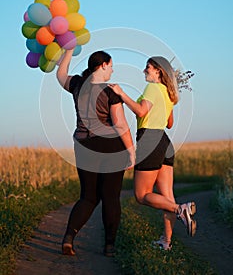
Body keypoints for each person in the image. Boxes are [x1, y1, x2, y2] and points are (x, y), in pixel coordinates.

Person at [109, 56, 197, 251]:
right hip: (164, 142)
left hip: (149, 139)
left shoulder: (153, 88)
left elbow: (141, 111)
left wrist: (121, 94)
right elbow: (170, 123)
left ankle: (180, 210)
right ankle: (166, 242)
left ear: (158, 71)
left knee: (141, 195)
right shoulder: (169, 92)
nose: (144, 71)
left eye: (148, 67)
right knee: (167, 195)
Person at [56, 49, 135, 257]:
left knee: (88, 196)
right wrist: (132, 151)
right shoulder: (110, 92)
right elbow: (119, 125)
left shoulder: (77, 85)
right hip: (110, 147)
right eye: (111, 65)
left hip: (84, 146)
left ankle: (68, 238)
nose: (112, 69)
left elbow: (60, 75)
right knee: (110, 197)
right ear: (102, 66)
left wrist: (69, 51)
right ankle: (109, 246)